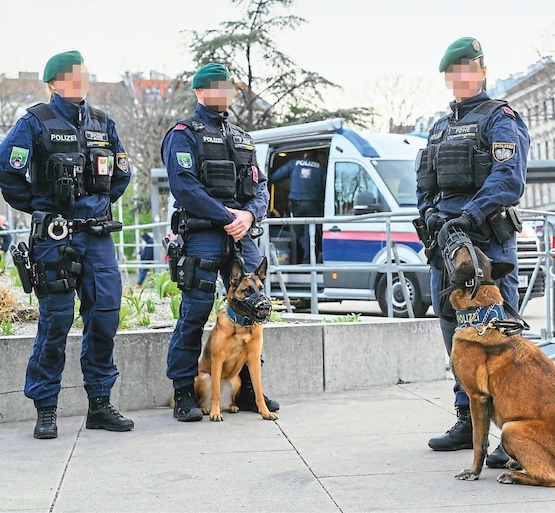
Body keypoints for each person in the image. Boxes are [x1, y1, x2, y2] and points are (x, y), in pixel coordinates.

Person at [0, 51, 134, 439]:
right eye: (72, 76)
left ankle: (100, 405)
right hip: (54, 239)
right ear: (54, 83)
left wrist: (98, 207)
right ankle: (46, 408)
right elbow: (8, 171)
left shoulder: (102, 122)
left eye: (84, 75)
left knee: (105, 318)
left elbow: (120, 174)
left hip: (97, 237)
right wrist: (40, 208)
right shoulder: (35, 121)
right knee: (55, 321)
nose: (80, 81)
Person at [417, 37, 529, 467]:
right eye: (453, 72)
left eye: (468, 69)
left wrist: (468, 214)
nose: (460, 78)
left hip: (484, 240)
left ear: (482, 70)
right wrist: (428, 215)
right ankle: (467, 418)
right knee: (454, 333)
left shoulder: (500, 118)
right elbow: (426, 185)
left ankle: (513, 429)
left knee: (500, 336)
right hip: (444, 244)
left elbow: (508, 180)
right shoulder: (439, 127)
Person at [161, 63, 278, 421]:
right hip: (203, 235)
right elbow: (185, 186)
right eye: (214, 87)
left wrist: (249, 216)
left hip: (242, 233)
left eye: (226, 87)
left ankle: (244, 393)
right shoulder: (184, 134)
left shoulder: (243, 137)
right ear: (199, 92)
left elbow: (260, 185)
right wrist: (227, 216)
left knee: (254, 310)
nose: (222, 92)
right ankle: (184, 393)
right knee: (194, 314)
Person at [269, 151, 324, 264]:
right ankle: (309, 260)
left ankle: (307, 260)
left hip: (296, 205)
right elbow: (325, 186)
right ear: (316, 156)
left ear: (305, 154)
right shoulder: (321, 168)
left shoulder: (294, 164)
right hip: (313, 206)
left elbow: (274, 178)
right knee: (310, 233)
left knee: (299, 234)